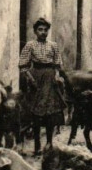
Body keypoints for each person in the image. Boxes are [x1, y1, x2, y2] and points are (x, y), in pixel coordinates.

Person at [19, 17, 66, 156]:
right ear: (35, 31)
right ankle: (37, 144)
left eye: (45, 30)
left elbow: (58, 64)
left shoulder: (53, 45)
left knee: (50, 112)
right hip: (36, 78)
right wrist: (30, 78)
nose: (43, 32)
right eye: (40, 29)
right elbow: (23, 65)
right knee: (36, 113)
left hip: (49, 78)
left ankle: (49, 142)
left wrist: (57, 75)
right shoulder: (30, 45)